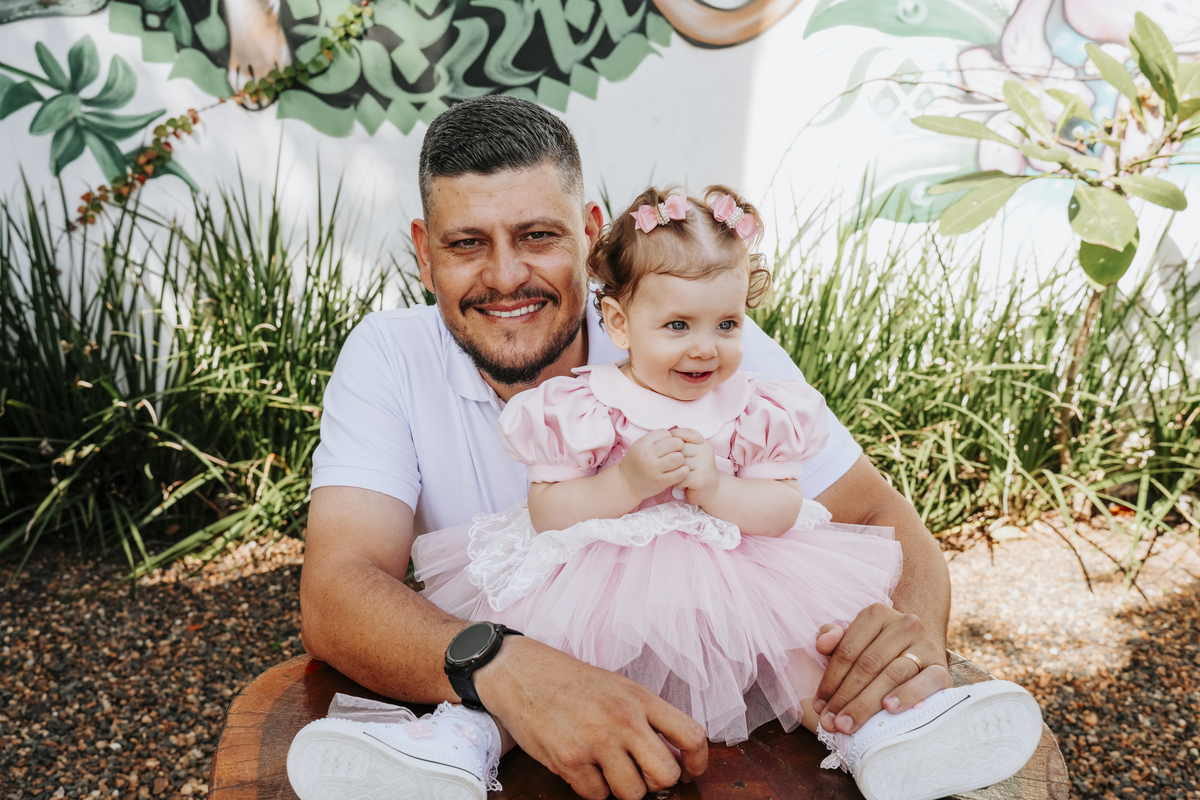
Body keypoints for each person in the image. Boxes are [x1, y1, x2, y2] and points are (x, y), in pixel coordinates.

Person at [295, 94, 960, 800]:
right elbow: (335, 591)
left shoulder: (697, 338)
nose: (507, 275)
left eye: (538, 236)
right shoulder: (390, 356)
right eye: (467, 244)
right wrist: (506, 668)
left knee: (827, 684)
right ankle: (448, 753)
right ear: (425, 255)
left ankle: (890, 739)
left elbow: (879, 516)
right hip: (529, 694)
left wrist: (902, 656)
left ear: (590, 235)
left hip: (730, 700)